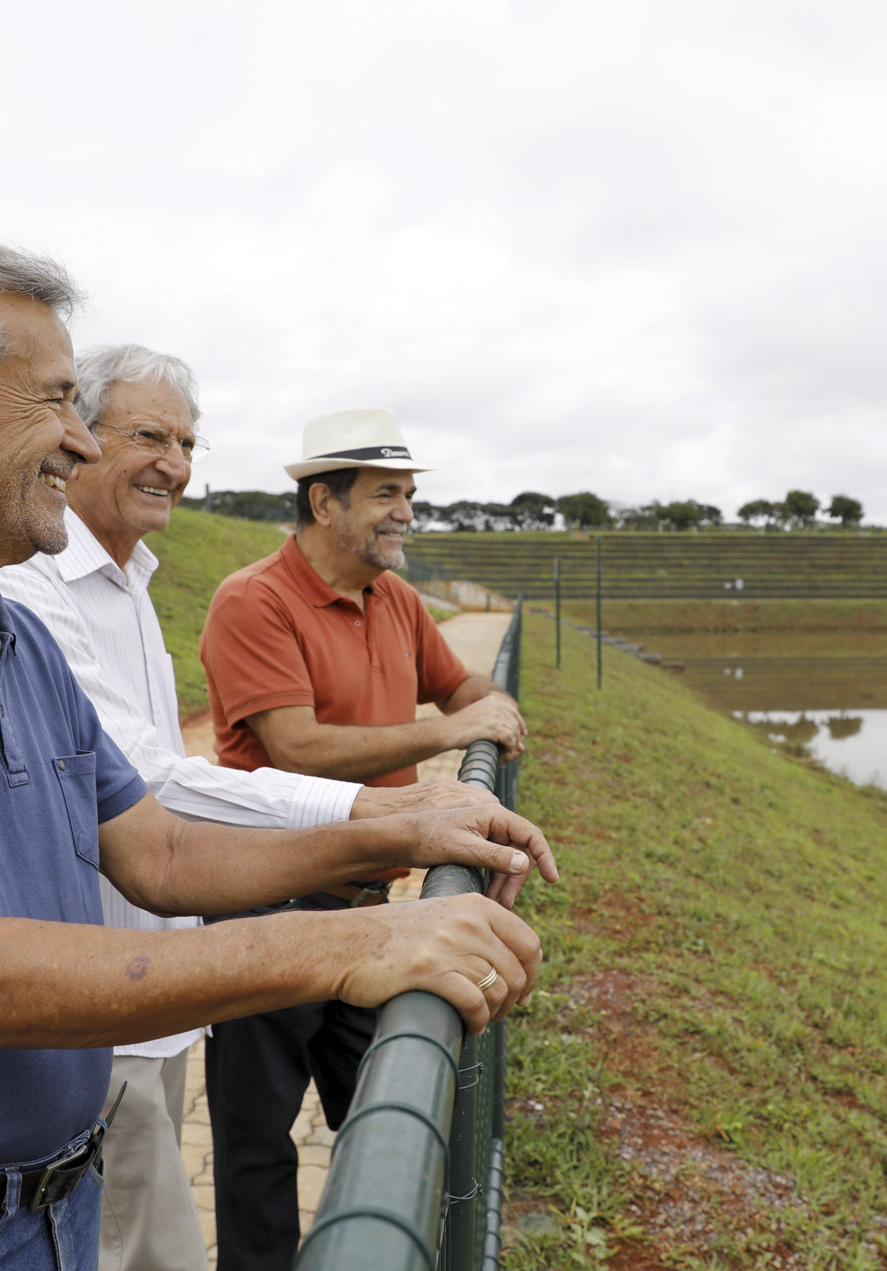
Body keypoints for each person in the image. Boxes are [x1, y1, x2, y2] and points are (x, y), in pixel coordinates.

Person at [0, 240, 557, 1271]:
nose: (80, 441)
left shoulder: (14, 638)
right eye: (56, 400)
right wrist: (340, 948)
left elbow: (159, 854)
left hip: (55, 1204)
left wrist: (401, 828)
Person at [0, 347, 498, 1271]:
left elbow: (465, 691)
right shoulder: (207, 596)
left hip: (193, 940)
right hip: (214, 917)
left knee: (372, 1121)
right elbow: (173, 775)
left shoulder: (131, 578)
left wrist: (458, 743)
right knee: (230, 1165)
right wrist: (395, 810)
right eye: (149, 434)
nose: (176, 463)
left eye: (187, 440)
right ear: (323, 501)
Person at [197, 407, 528, 1270]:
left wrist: (494, 713)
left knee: (395, 1123)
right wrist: (444, 741)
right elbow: (297, 748)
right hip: (264, 910)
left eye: (410, 495)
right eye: (386, 494)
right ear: (322, 502)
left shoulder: (397, 600)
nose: (406, 513)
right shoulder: (254, 601)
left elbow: (463, 690)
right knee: (256, 1149)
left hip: (373, 910)